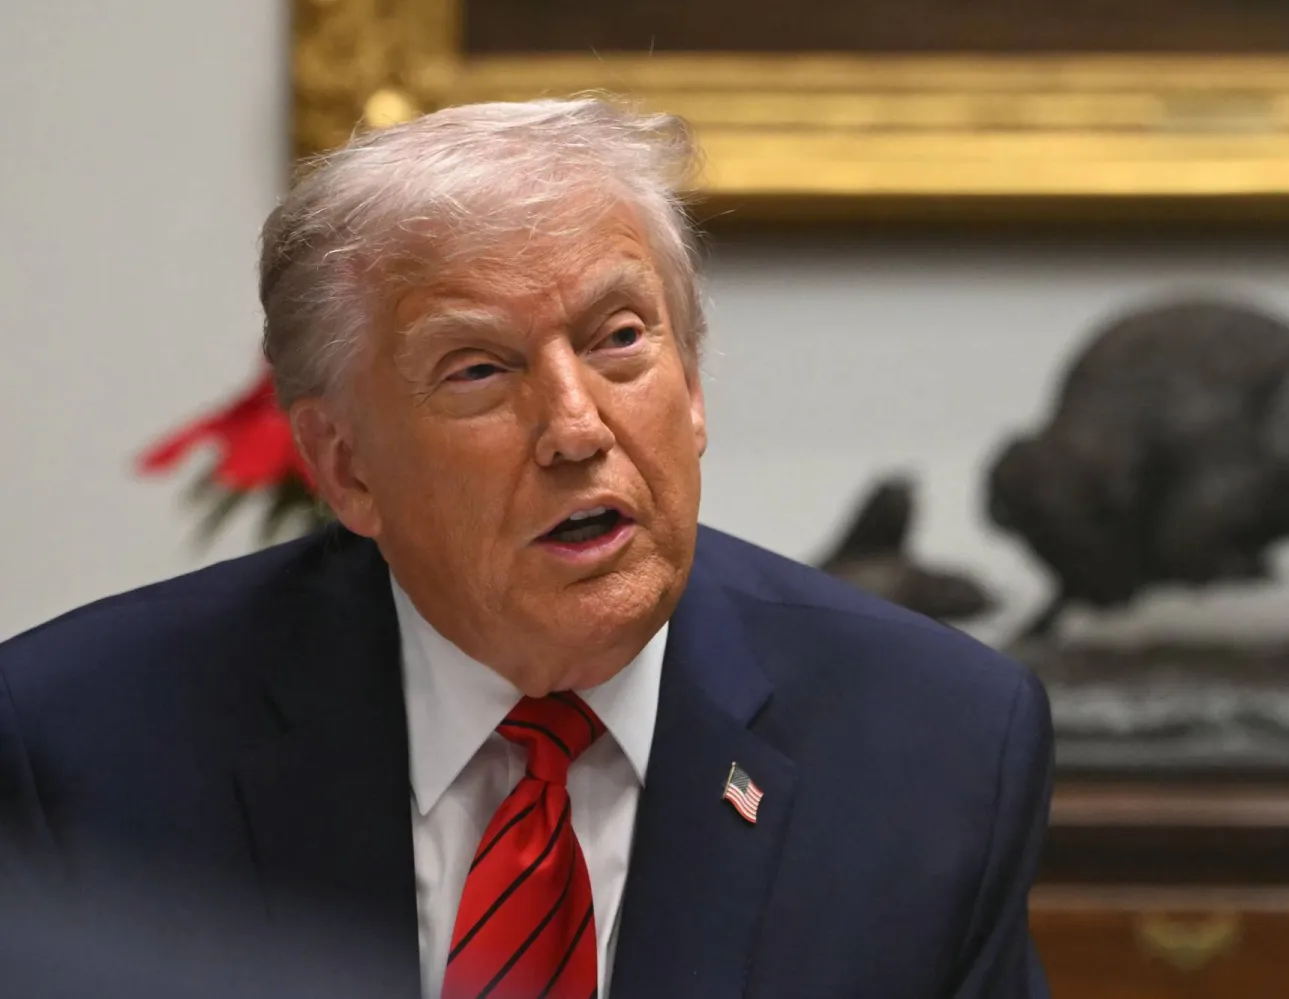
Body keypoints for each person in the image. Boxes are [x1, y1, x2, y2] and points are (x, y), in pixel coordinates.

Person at [0, 98, 1054, 999]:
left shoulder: (938, 751)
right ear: (345, 466)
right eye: (477, 370)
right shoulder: (84, 755)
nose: (577, 427)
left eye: (620, 339)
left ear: (691, 390)